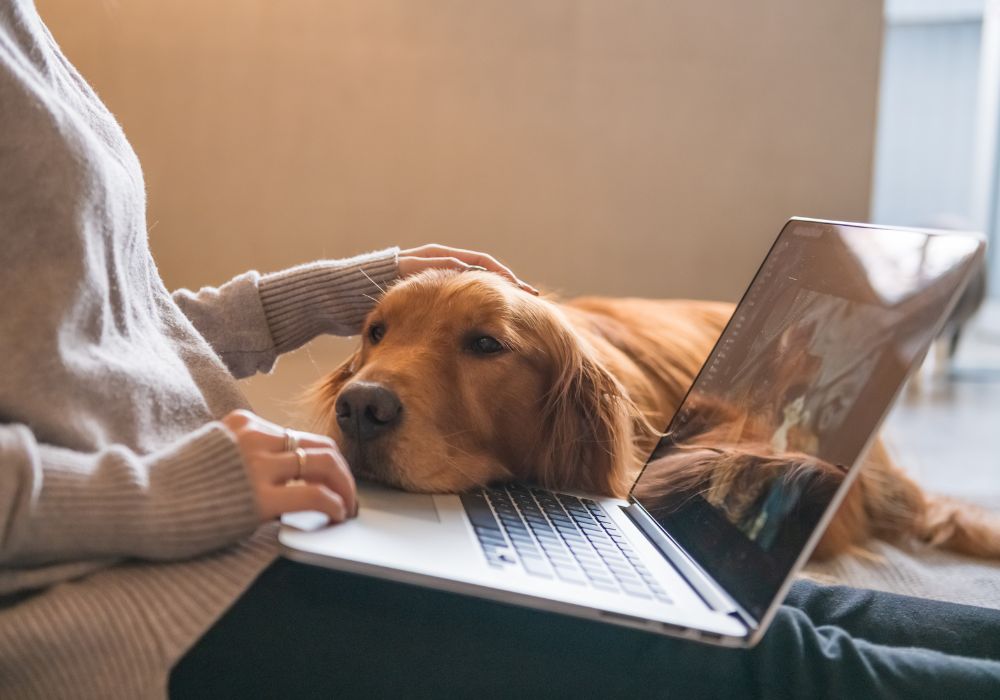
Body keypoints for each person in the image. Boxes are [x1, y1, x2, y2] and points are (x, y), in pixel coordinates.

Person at [2, 2, 999, 698]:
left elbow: (86, 319)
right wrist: (162, 495)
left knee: (790, 616)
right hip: (117, 594)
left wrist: (333, 293)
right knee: (769, 671)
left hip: (234, 522)